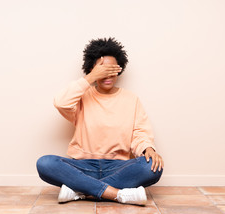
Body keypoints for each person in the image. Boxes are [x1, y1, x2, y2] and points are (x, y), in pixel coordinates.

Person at [36, 37, 163, 205]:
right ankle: (117, 194)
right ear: (91, 71)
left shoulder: (131, 99)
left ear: (119, 70)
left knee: (152, 167)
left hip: (118, 167)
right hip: (82, 167)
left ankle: (81, 192)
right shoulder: (81, 97)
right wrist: (90, 78)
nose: (107, 74)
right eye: (102, 70)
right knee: (45, 163)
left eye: (112, 69)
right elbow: (60, 102)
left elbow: (140, 134)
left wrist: (148, 149)